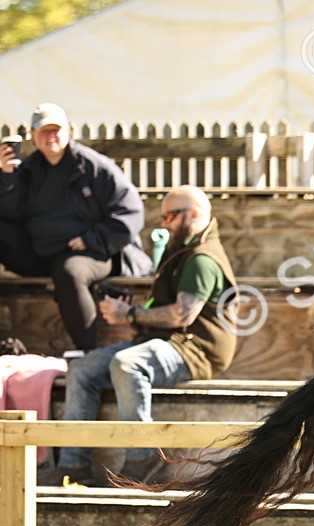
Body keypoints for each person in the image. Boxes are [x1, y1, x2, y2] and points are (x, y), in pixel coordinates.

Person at [48, 185, 238, 486]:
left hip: (197, 348)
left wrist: (130, 315)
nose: (164, 222)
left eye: (170, 216)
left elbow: (182, 315)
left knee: (127, 363)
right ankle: (73, 467)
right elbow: (163, 309)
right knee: (82, 369)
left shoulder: (203, 259)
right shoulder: (182, 250)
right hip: (167, 341)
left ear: (194, 215)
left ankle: (143, 457)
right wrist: (134, 309)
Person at [0, 103, 152, 352]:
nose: (51, 137)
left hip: (98, 252)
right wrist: (7, 176)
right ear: (32, 136)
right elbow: (12, 213)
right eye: (43, 131)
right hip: (42, 251)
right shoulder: (28, 169)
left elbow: (130, 212)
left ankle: (88, 352)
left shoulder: (95, 167)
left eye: (56, 130)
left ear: (69, 131)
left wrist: (91, 239)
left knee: (69, 271)